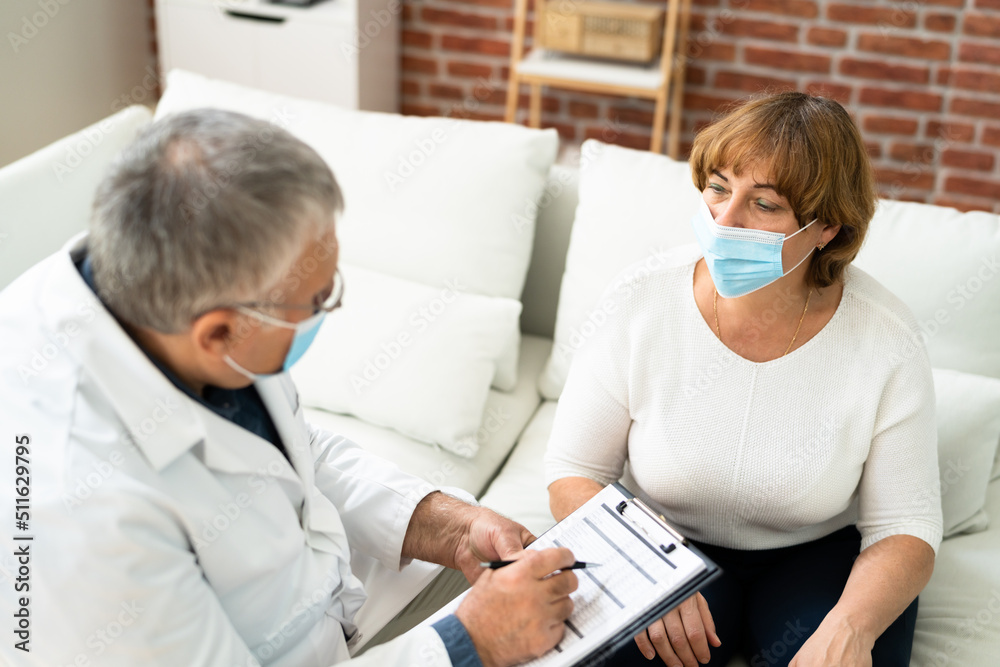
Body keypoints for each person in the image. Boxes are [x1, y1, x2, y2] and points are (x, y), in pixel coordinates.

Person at [0, 109, 578, 667]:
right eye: (316, 301)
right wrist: (471, 641)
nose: (328, 308)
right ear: (218, 332)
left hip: (330, 610)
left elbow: (293, 450)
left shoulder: (158, 272)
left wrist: (446, 524)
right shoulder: (84, 519)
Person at [544, 92, 942, 667]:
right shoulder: (639, 301)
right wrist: (649, 566)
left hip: (817, 557)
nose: (725, 221)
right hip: (667, 539)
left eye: (765, 204)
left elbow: (906, 524)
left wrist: (851, 626)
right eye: (719, 188)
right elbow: (573, 472)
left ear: (826, 226)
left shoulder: (887, 339)